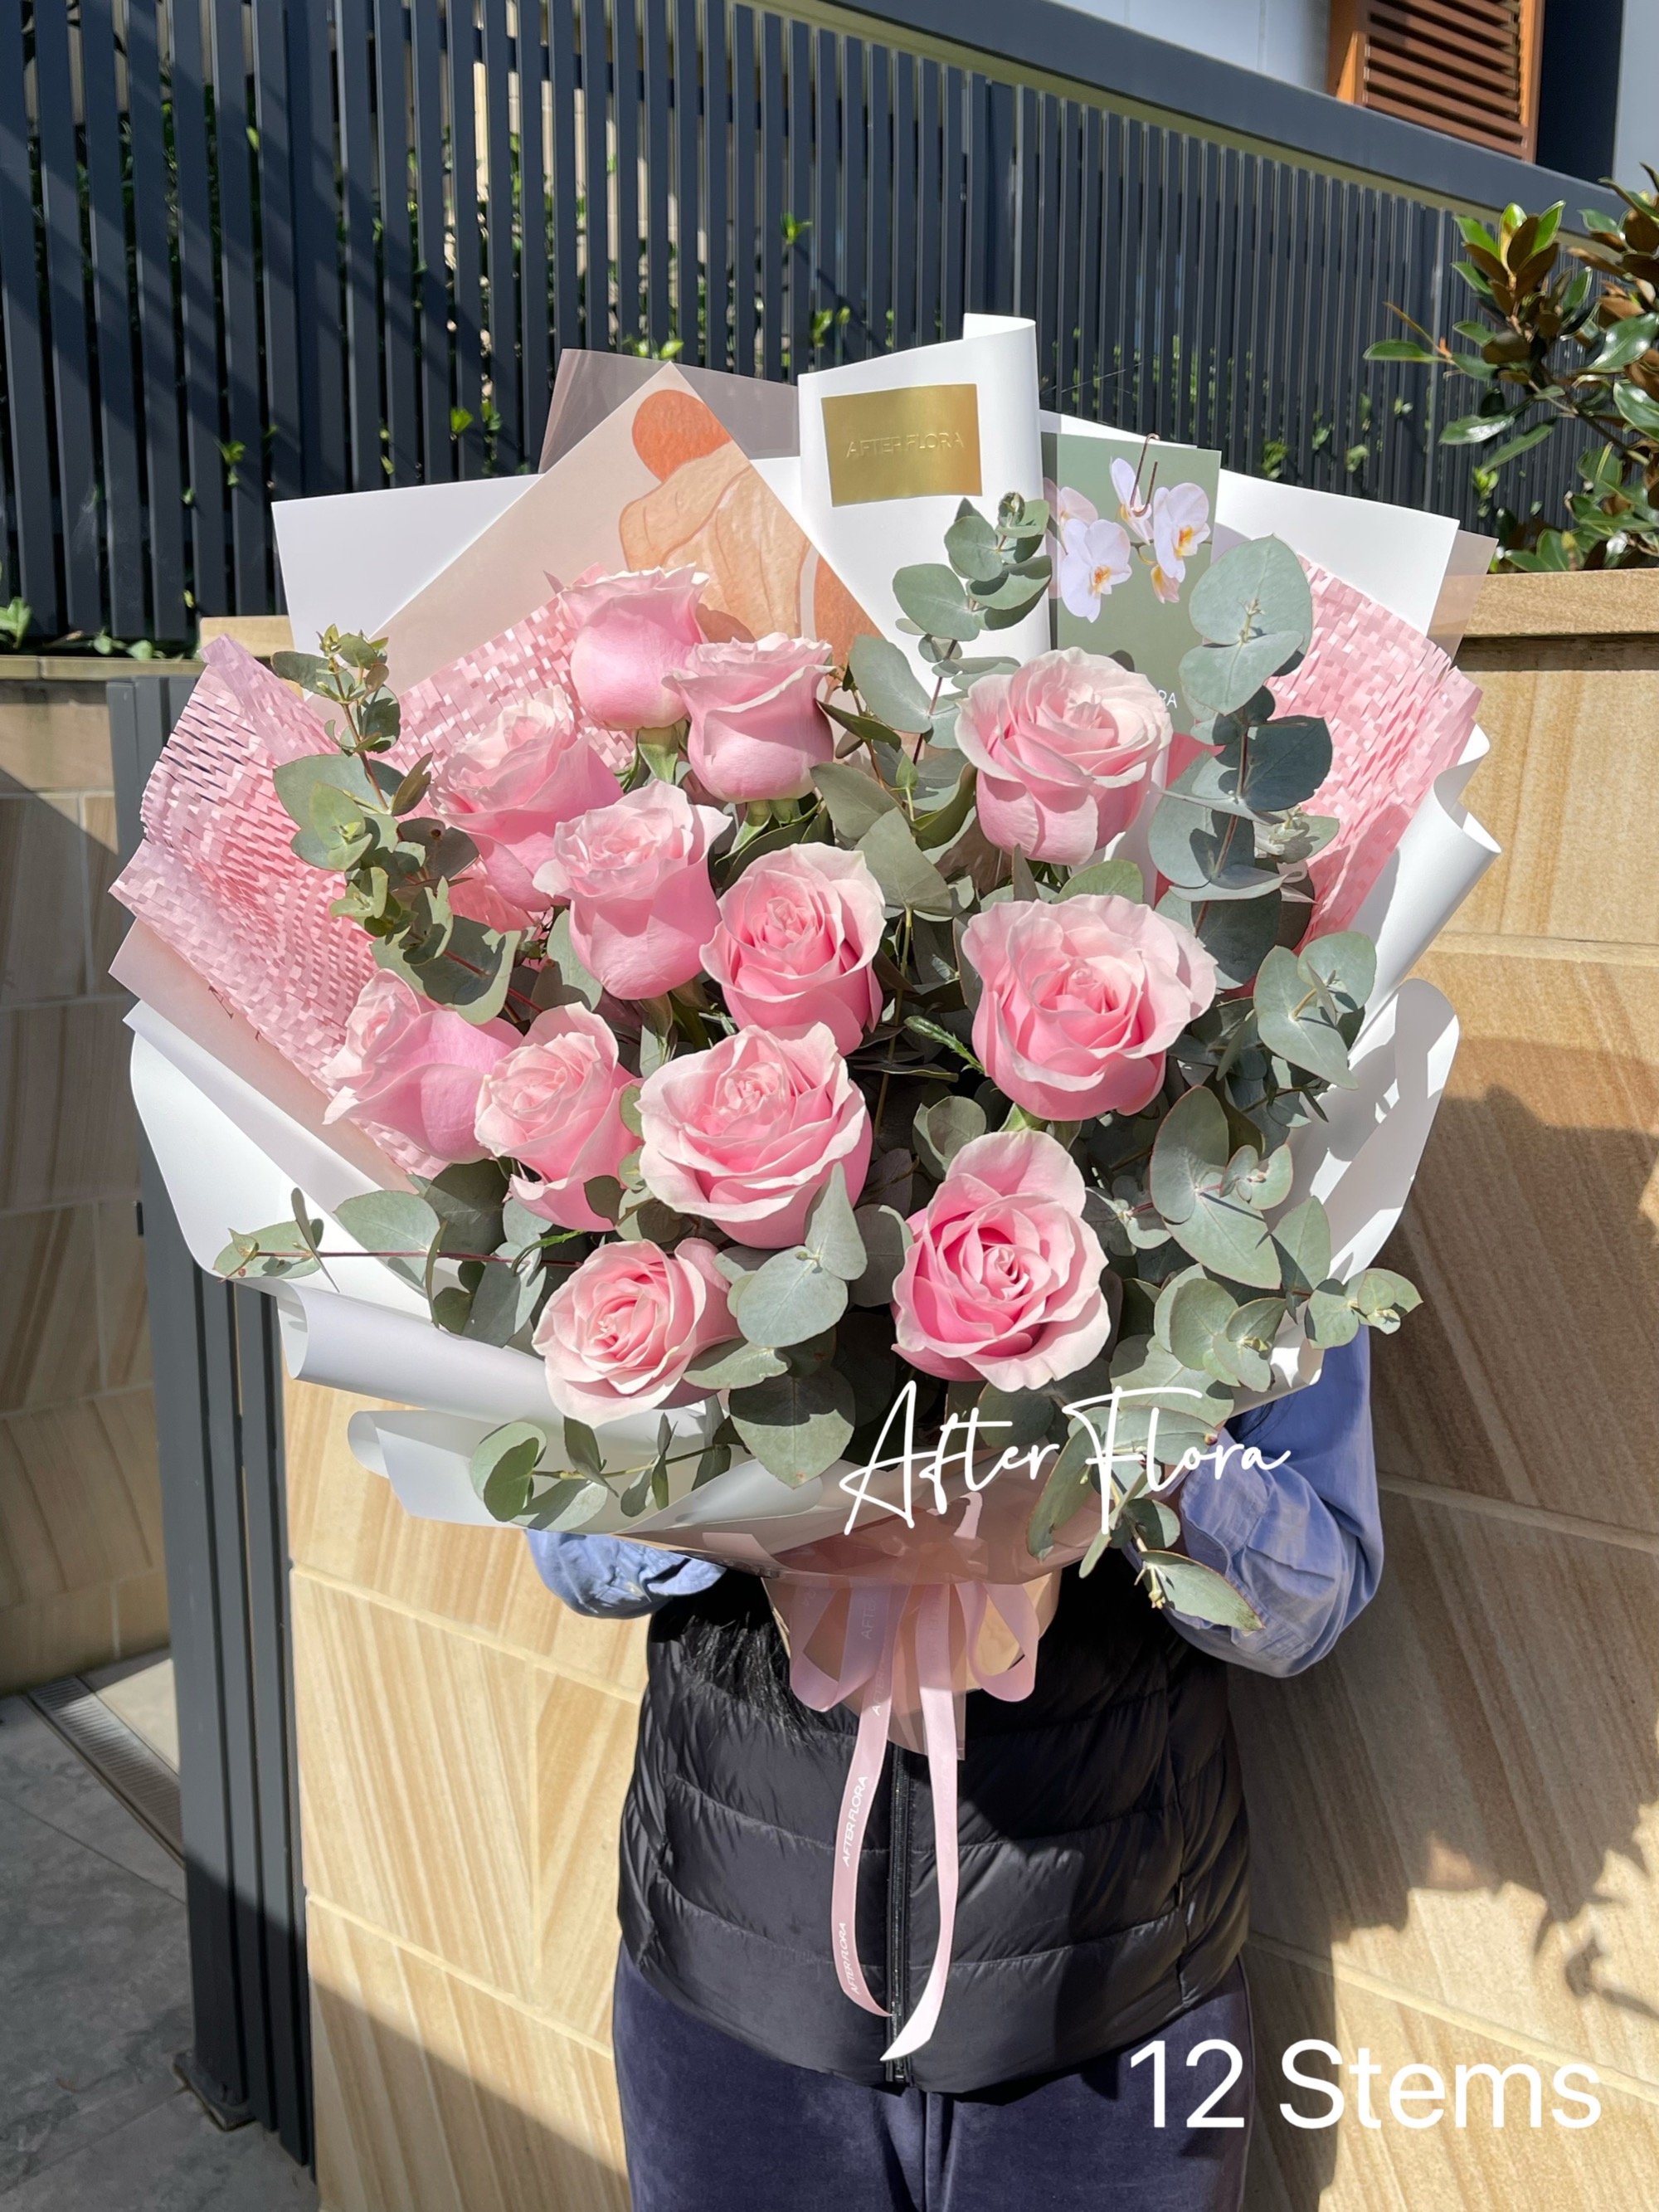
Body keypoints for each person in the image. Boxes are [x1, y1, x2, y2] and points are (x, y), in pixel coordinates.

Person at [529, 1334, 1382, 2212]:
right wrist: (744, 1439)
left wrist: (1129, 1432)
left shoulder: (1266, 1214)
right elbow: (569, 1552)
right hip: (733, 1987)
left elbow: (1307, 1600)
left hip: (1108, 2001)